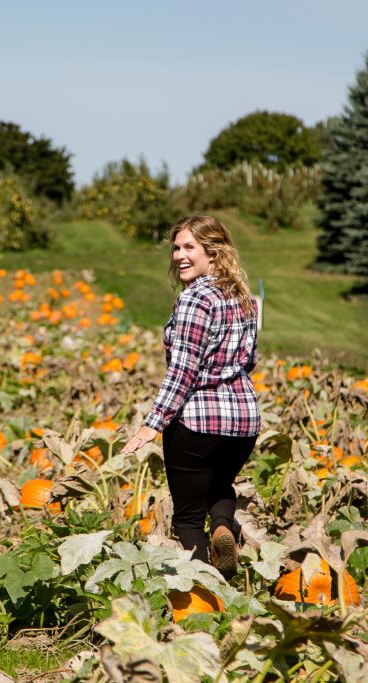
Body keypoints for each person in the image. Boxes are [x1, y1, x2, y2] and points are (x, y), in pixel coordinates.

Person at [122, 215, 260, 579]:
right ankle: (222, 528)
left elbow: (183, 370)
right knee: (220, 487)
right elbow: (250, 360)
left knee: (185, 519)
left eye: (189, 248)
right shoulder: (245, 298)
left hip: (197, 422)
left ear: (213, 253)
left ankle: (205, 596)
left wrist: (153, 424)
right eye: (176, 247)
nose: (179, 256)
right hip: (244, 423)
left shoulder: (195, 299)